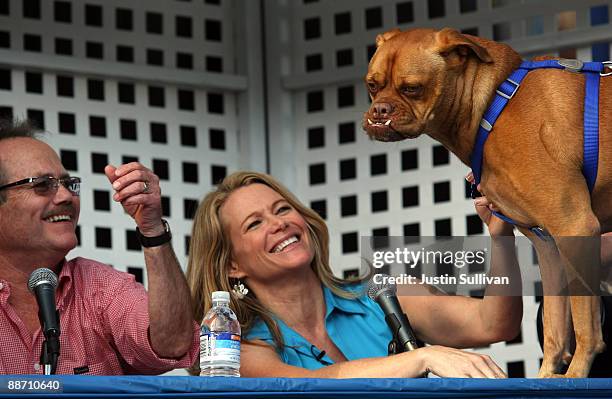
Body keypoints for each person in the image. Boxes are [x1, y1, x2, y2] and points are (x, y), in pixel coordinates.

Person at [187, 170, 522, 378]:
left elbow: (494, 324)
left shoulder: (383, 293)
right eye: (255, 223)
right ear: (232, 265)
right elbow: (305, 388)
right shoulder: (237, 344)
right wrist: (422, 358)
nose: (279, 224)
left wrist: (501, 237)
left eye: (283, 209)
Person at [0, 119, 199, 375]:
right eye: (41, 185)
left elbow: (172, 344)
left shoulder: (99, 288)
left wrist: (152, 231)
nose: (65, 197)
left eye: (67, 183)